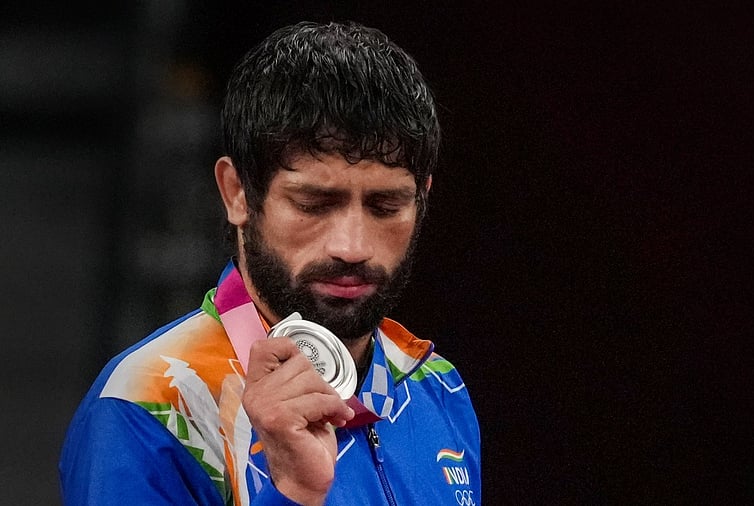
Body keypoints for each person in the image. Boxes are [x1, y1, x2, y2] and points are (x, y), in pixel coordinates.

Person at [59, 20, 481, 505]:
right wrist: (295, 494)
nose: (352, 245)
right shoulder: (147, 409)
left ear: (422, 199)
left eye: (386, 206)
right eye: (314, 204)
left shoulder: (437, 388)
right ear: (236, 193)